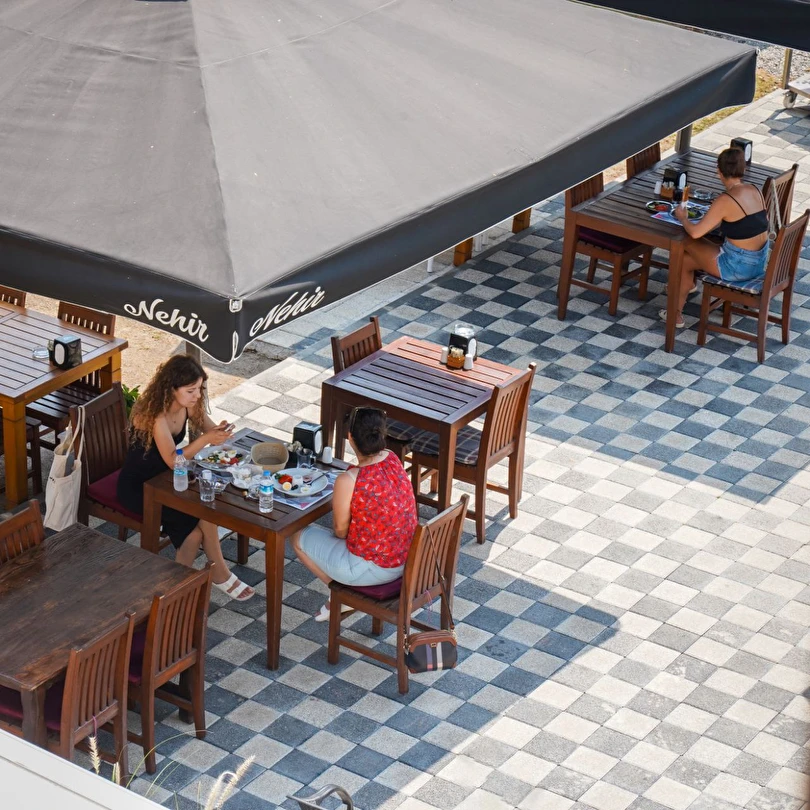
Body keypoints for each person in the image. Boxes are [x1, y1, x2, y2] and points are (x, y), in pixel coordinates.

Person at [117, 354, 254, 601]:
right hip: (141, 487)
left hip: (170, 480)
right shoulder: (154, 415)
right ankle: (203, 582)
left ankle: (179, 591)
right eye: (191, 390)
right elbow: (173, 459)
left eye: (199, 389)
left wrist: (220, 432)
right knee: (197, 526)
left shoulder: (189, 404)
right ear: (171, 389)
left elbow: (207, 427)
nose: (197, 396)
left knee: (205, 510)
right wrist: (205, 440)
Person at [291, 406, 418, 622]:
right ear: (382, 435)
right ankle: (343, 597)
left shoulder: (349, 480)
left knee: (297, 537)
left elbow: (340, 531)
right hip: (406, 561)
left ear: (350, 437)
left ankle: (341, 597)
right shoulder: (392, 458)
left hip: (372, 570)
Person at [663, 147, 770, 328]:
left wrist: (683, 217)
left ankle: (680, 300)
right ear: (743, 169)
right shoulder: (755, 190)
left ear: (718, 171)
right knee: (685, 260)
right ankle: (678, 305)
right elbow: (747, 223)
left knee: (685, 241)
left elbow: (695, 233)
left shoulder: (726, 199)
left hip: (737, 267)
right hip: (759, 263)